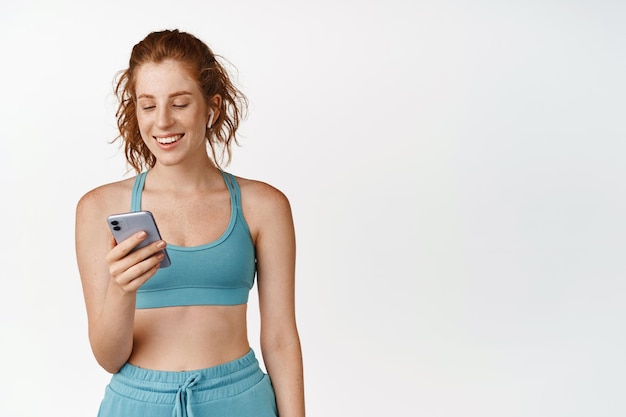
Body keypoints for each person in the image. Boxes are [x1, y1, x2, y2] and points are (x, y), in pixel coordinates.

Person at [75, 29, 305, 417]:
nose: (162, 121)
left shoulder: (264, 206)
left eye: (179, 103)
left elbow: (281, 338)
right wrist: (121, 289)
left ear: (211, 107)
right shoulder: (98, 208)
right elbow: (109, 357)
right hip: (136, 402)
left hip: (239, 399)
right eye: (148, 106)